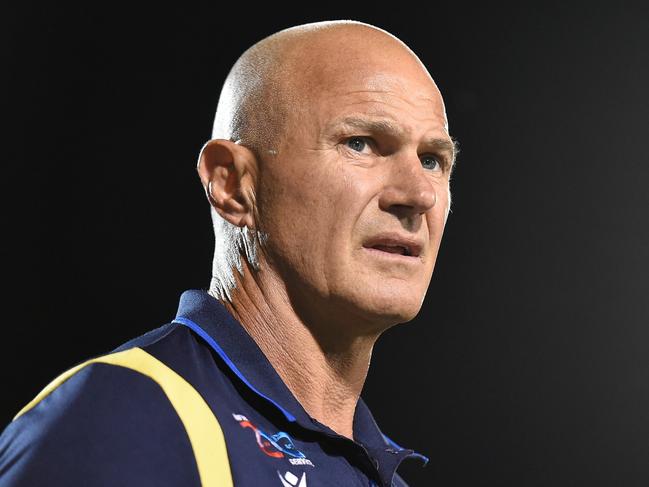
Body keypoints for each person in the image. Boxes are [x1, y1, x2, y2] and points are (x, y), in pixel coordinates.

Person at [0, 20, 458, 486]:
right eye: (360, 144)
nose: (419, 194)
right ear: (232, 186)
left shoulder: (376, 471)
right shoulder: (120, 421)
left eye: (432, 160)